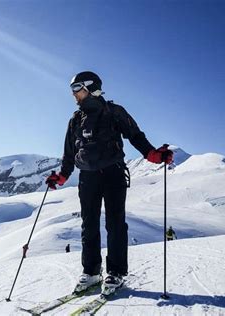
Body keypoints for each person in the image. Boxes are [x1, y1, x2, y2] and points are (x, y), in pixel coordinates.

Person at [46, 71, 173, 295]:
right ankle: (92, 272)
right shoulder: (75, 120)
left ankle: (115, 272)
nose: (73, 94)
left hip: (113, 173)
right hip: (88, 177)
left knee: (115, 224)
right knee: (89, 225)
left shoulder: (114, 112)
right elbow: (69, 154)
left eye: (77, 89)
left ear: (91, 88)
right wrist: (63, 175)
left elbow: (135, 135)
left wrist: (152, 154)